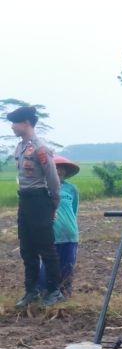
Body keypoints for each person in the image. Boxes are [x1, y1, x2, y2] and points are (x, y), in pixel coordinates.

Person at [9, 105, 65, 308]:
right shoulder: (21, 147)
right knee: (27, 248)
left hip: (40, 201)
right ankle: (31, 291)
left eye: (15, 123)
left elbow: (53, 180)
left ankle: (54, 291)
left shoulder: (41, 148)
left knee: (46, 248)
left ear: (26, 123)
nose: (12, 127)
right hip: (24, 200)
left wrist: (54, 205)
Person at [38, 156, 80, 297]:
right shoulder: (43, 189)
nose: (59, 171)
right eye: (55, 168)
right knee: (49, 265)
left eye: (62, 168)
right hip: (51, 235)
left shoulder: (72, 189)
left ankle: (65, 292)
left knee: (68, 264)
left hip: (70, 234)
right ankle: (46, 293)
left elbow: (74, 211)